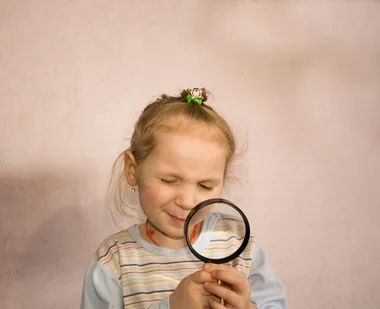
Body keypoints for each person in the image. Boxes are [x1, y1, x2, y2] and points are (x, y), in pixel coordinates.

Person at [80, 88, 287, 309]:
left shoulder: (238, 244)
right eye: (169, 181)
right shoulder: (114, 262)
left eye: (205, 185)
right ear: (133, 170)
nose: (188, 202)